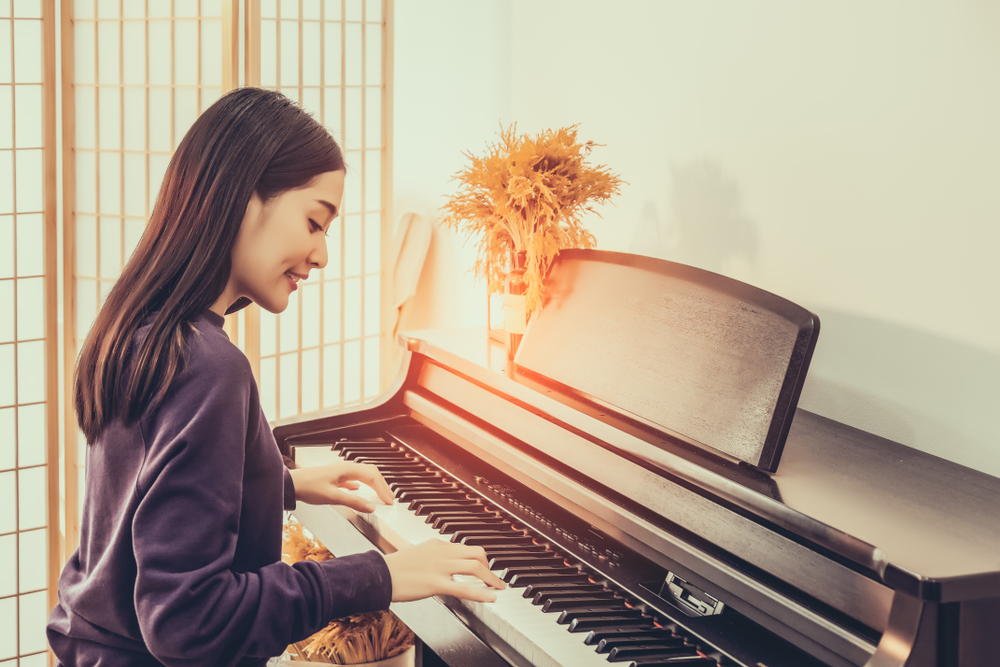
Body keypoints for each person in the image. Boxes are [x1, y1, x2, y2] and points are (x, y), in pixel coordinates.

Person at [47, 87, 505, 667]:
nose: (322, 255)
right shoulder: (209, 369)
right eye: (316, 222)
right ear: (243, 197)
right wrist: (380, 575)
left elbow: (153, 494)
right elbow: (190, 622)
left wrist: (279, 483)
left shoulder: (139, 328)